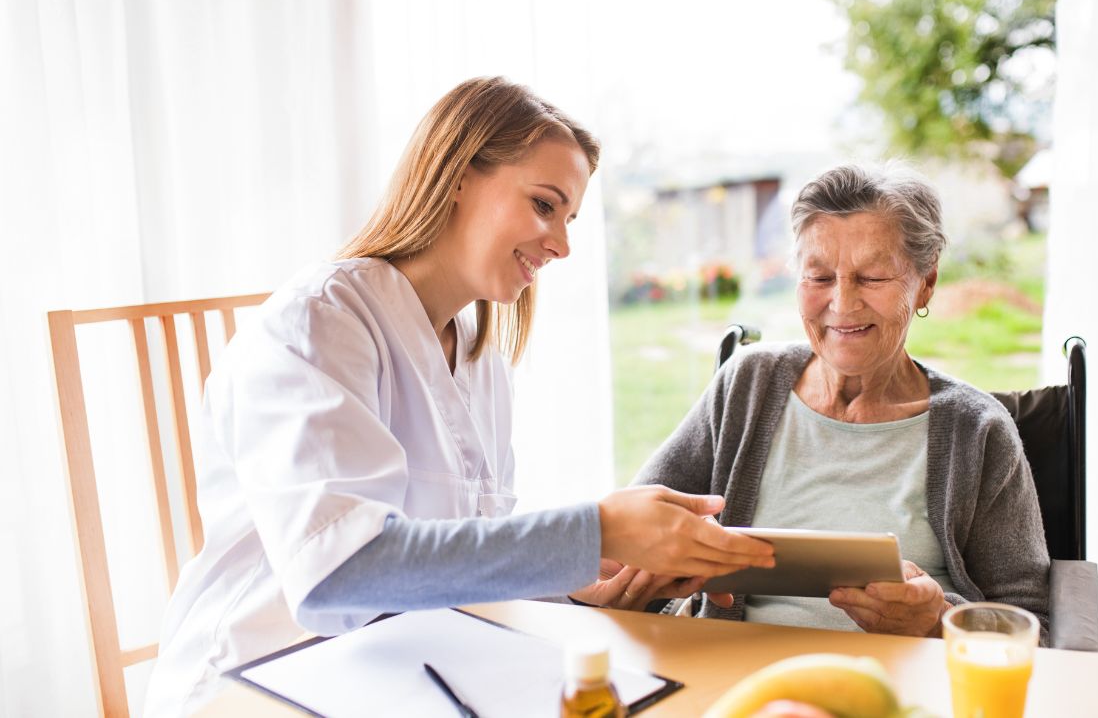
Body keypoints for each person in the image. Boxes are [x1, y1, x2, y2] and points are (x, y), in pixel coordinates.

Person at [145, 77, 773, 715]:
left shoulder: (479, 356)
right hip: (258, 687)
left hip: (396, 679)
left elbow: (461, 561)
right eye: (543, 205)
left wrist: (586, 585)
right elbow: (340, 577)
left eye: (569, 218)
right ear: (457, 176)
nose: (561, 244)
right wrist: (595, 528)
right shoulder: (322, 321)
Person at [627, 162, 1050, 638]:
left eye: (871, 277)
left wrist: (938, 621)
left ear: (925, 283)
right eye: (820, 277)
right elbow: (631, 533)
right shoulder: (747, 383)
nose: (843, 304)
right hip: (738, 680)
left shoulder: (979, 430)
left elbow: (1035, 623)